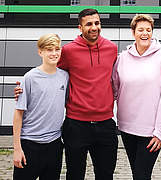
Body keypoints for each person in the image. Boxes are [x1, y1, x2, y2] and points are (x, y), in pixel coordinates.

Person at [14, 9, 118, 180]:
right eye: (89, 24)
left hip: (105, 124)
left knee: (106, 174)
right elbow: (50, 70)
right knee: (75, 175)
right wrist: (25, 87)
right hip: (76, 125)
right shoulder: (68, 51)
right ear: (80, 27)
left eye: (97, 23)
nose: (94, 27)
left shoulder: (112, 49)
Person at [112, 14, 161, 180]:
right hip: (127, 128)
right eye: (140, 29)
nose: (145, 33)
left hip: (151, 131)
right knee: (137, 174)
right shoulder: (122, 58)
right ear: (133, 32)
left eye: (148, 30)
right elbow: (114, 89)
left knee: (142, 174)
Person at [13, 33, 68, 180]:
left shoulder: (65, 76)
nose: (54, 53)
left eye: (57, 49)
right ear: (40, 52)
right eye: (49, 49)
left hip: (54, 145)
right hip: (30, 145)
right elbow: (18, 114)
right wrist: (17, 149)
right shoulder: (29, 78)